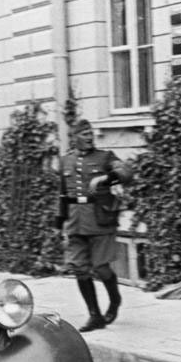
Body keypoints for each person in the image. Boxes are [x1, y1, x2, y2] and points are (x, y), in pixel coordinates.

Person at [60, 119, 132, 332]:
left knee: (101, 268)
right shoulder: (65, 161)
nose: (89, 137)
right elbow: (61, 195)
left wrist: (106, 178)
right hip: (74, 220)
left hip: (100, 218)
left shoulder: (105, 157)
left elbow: (127, 173)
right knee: (80, 269)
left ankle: (115, 299)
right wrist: (59, 224)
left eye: (91, 133)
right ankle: (95, 315)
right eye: (84, 134)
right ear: (74, 137)